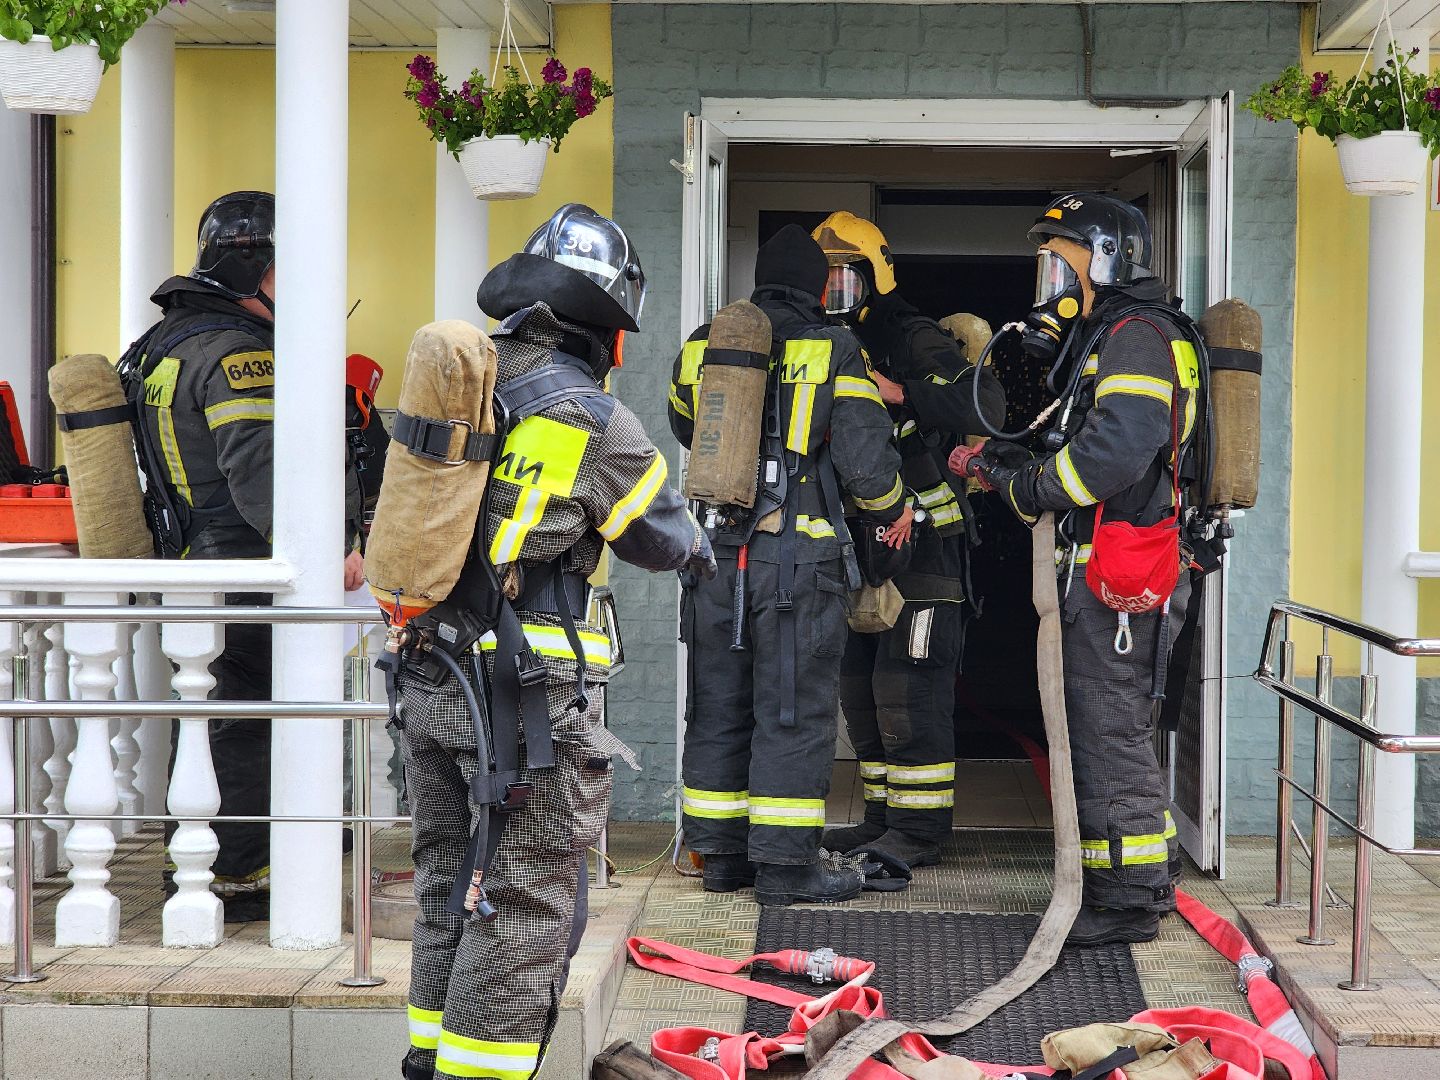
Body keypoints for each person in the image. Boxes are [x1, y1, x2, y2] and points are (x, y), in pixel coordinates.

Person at [397, 204, 714, 1080]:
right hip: (516, 707)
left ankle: (427, 1062)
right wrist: (708, 551)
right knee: (526, 906)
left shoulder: (470, 390)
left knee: (444, 891)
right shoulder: (593, 418)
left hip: (429, 678)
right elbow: (665, 539)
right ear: (606, 331)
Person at [951, 192, 1197, 946]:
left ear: (1107, 256)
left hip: (1118, 575)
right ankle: (1132, 883)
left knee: (1109, 731)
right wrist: (1010, 464)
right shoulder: (1111, 336)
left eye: (1064, 257)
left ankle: (1127, 900)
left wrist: (1029, 487)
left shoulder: (1136, 336)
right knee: (1102, 728)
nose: (1054, 274)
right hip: (1104, 569)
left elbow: (1115, 452)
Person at [126, 191, 365, 922]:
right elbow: (263, 480)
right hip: (244, 569)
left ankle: (208, 859)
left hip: (195, 565)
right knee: (246, 721)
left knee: (214, 718)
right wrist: (331, 555)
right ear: (252, 265)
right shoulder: (238, 356)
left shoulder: (165, 343)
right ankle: (236, 877)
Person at [670, 225, 913, 906]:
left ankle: (719, 856)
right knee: (791, 711)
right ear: (816, 286)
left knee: (719, 704)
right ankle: (785, 868)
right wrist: (893, 510)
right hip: (796, 562)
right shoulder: (838, 348)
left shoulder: (703, 344)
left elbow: (686, 426)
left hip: (716, 559)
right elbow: (866, 463)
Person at [811, 213, 1005, 869]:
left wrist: (900, 390)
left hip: (925, 547)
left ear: (874, 276)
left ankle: (919, 833)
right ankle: (880, 821)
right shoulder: (821, 341)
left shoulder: (911, 334)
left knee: (908, 689)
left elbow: (988, 407)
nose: (835, 286)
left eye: (848, 273)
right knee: (861, 691)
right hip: (862, 546)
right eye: (826, 273)